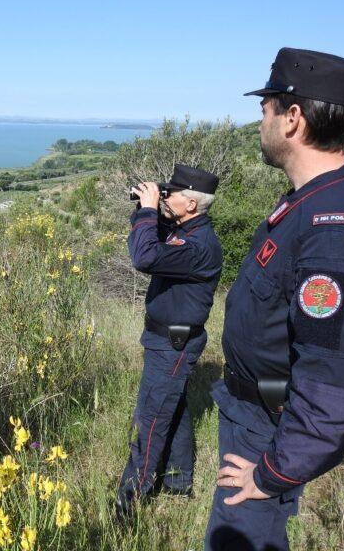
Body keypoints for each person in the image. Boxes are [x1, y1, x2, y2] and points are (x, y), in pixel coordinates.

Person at [204, 48, 344, 550]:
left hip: (267, 434)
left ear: (292, 118)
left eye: (265, 108)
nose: (259, 120)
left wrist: (270, 475)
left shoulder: (336, 233)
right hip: (252, 419)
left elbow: (331, 395)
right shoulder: (306, 204)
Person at [117, 164, 223, 518]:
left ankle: (128, 504)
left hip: (174, 345)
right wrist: (145, 208)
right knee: (172, 410)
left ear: (191, 204)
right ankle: (178, 483)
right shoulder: (185, 232)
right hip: (165, 341)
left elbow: (144, 256)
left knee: (149, 420)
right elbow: (152, 237)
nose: (166, 197)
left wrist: (149, 210)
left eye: (172, 194)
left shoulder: (198, 245)